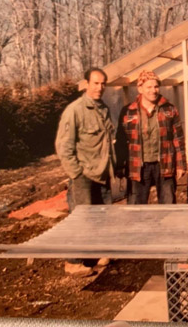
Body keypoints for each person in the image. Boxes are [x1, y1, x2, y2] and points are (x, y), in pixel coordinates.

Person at [55, 67, 115, 275]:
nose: (100, 87)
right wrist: (76, 173)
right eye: (96, 83)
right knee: (81, 218)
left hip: (102, 172)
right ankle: (73, 261)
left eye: (103, 83)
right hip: (83, 175)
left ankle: (96, 254)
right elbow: (63, 146)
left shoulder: (103, 109)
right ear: (86, 84)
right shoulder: (75, 110)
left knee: (101, 216)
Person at [116, 70, 186, 204]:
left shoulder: (169, 109)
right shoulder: (128, 111)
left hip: (165, 163)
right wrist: (119, 165)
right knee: (136, 207)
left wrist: (181, 165)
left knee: (168, 204)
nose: (153, 90)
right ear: (140, 88)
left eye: (156, 86)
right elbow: (121, 141)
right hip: (138, 166)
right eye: (149, 87)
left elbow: (178, 138)